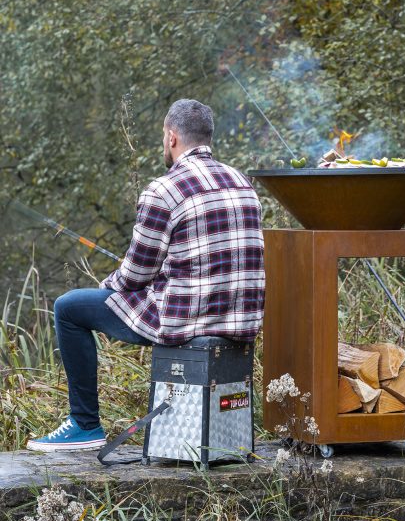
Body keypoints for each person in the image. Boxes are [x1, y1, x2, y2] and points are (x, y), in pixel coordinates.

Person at [27, 99, 265, 452]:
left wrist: (108, 285)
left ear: (171, 137)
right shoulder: (243, 184)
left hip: (184, 321)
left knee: (69, 308)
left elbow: (136, 274)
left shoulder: (164, 190)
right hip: (241, 322)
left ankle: (84, 425)